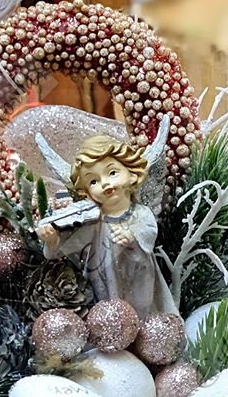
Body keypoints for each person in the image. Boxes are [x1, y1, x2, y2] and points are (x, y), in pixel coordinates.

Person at [36, 135, 178, 319]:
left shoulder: (139, 212)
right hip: (104, 285)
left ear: (131, 174)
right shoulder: (94, 221)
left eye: (112, 173)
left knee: (143, 310)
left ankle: (145, 327)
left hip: (139, 277)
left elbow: (149, 232)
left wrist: (132, 238)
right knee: (109, 315)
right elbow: (66, 247)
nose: (104, 183)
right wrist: (51, 240)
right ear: (86, 193)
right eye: (93, 181)